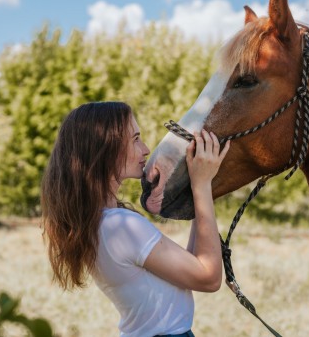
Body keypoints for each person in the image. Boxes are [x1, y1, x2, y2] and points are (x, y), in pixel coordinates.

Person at [41, 101, 230, 337]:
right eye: (135, 139)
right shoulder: (121, 227)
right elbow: (208, 278)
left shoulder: (98, 223)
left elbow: (192, 271)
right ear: (106, 149)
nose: (146, 148)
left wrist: (200, 188)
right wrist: (202, 185)